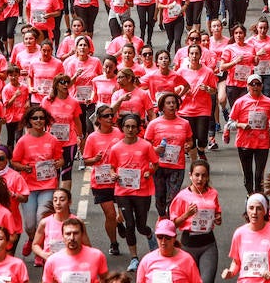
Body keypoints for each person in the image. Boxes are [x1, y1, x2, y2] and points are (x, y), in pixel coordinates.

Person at [109, 113, 160, 272]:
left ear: (138, 128)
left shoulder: (145, 145)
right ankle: (134, 258)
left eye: (133, 127)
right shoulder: (116, 148)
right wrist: (113, 174)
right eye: (127, 126)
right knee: (129, 225)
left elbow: (155, 164)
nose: (130, 129)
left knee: (140, 226)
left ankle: (149, 234)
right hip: (123, 191)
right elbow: (112, 167)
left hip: (143, 191)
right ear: (122, 128)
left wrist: (149, 172)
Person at [11, 105, 63, 257]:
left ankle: (40, 252)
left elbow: (60, 159)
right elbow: (14, 162)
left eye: (41, 118)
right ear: (29, 121)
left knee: (42, 217)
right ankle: (32, 239)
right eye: (35, 118)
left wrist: (58, 163)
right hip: (29, 187)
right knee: (30, 224)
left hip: (48, 185)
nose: (39, 120)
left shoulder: (52, 139)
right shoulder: (23, 141)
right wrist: (24, 167)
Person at [169, 160, 222, 283]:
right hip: (188, 245)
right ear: (190, 175)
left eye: (203, 175)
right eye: (197, 175)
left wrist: (218, 218)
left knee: (207, 281)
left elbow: (217, 214)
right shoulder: (182, 196)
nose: (200, 179)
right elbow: (172, 225)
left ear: (207, 177)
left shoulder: (213, 193)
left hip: (208, 243)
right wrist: (187, 215)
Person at [82, 104, 125, 255]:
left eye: (111, 115)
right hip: (101, 181)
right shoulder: (92, 138)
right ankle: (114, 243)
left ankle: (119, 222)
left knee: (123, 214)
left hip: (119, 179)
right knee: (110, 215)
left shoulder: (119, 134)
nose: (110, 118)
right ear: (98, 119)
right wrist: (95, 159)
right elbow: (85, 161)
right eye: (106, 116)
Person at [220, 194, 270, 283]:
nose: (254, 212)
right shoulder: (239, 233)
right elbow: (236, 262)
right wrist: (230, 273)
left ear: (265, 211)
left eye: (259, 208)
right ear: (247, 210)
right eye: (251, 208)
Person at [229, 74, 270, 195]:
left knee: (259, 175)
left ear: (262, 86)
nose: (255, 86)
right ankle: (250, 195)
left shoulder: (269, 103)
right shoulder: (240, 102)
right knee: (248, 175)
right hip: (244, 142)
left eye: (258, 84)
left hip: (262, 143)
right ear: (247, 86)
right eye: (252, 84)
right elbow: (230, 123)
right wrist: (241, 125)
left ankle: (259, 198)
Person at [43, 217, 110, 283]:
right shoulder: (52, 261)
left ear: (82, 235)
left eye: (76, 233)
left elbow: (106, 279)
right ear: (63, 236)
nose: (72, 238)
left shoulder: (97, 256)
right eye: (68, 234)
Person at [136, 219, 202, 283]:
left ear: (174, 238)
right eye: (160, 237)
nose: (163, 241)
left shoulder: (187, 260)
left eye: (168, 237)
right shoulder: (147, 260)